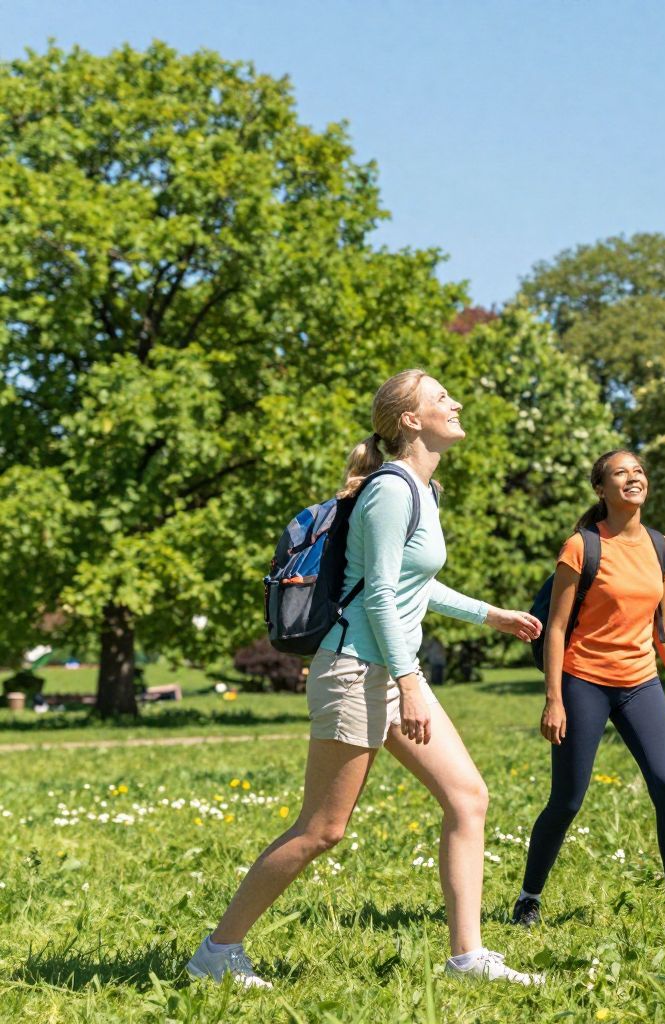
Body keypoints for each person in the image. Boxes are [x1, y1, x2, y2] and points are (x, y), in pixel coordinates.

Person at [187, 370, 545, 989]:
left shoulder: (424, 493)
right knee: (323, 828)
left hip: (388, 666)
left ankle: (467, 957)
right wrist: (408, 681)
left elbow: (412, 584)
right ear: (410, 420)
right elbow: (377, 594)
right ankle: (216, 954)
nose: (454, 404)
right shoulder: (390, 491)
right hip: (357, 669)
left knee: (467, 798)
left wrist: (491, 615)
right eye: (440, 398)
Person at [513, 449, 665, 934]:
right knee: (566, 800)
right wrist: (554, 698)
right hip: (582, 680)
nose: (633, 478)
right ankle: (528, 897)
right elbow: (556, 628)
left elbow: (664, 629)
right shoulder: (582, 546)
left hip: (640, 682)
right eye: (621, 473)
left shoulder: (661, 547)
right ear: (601, 489)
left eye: (639, 471)